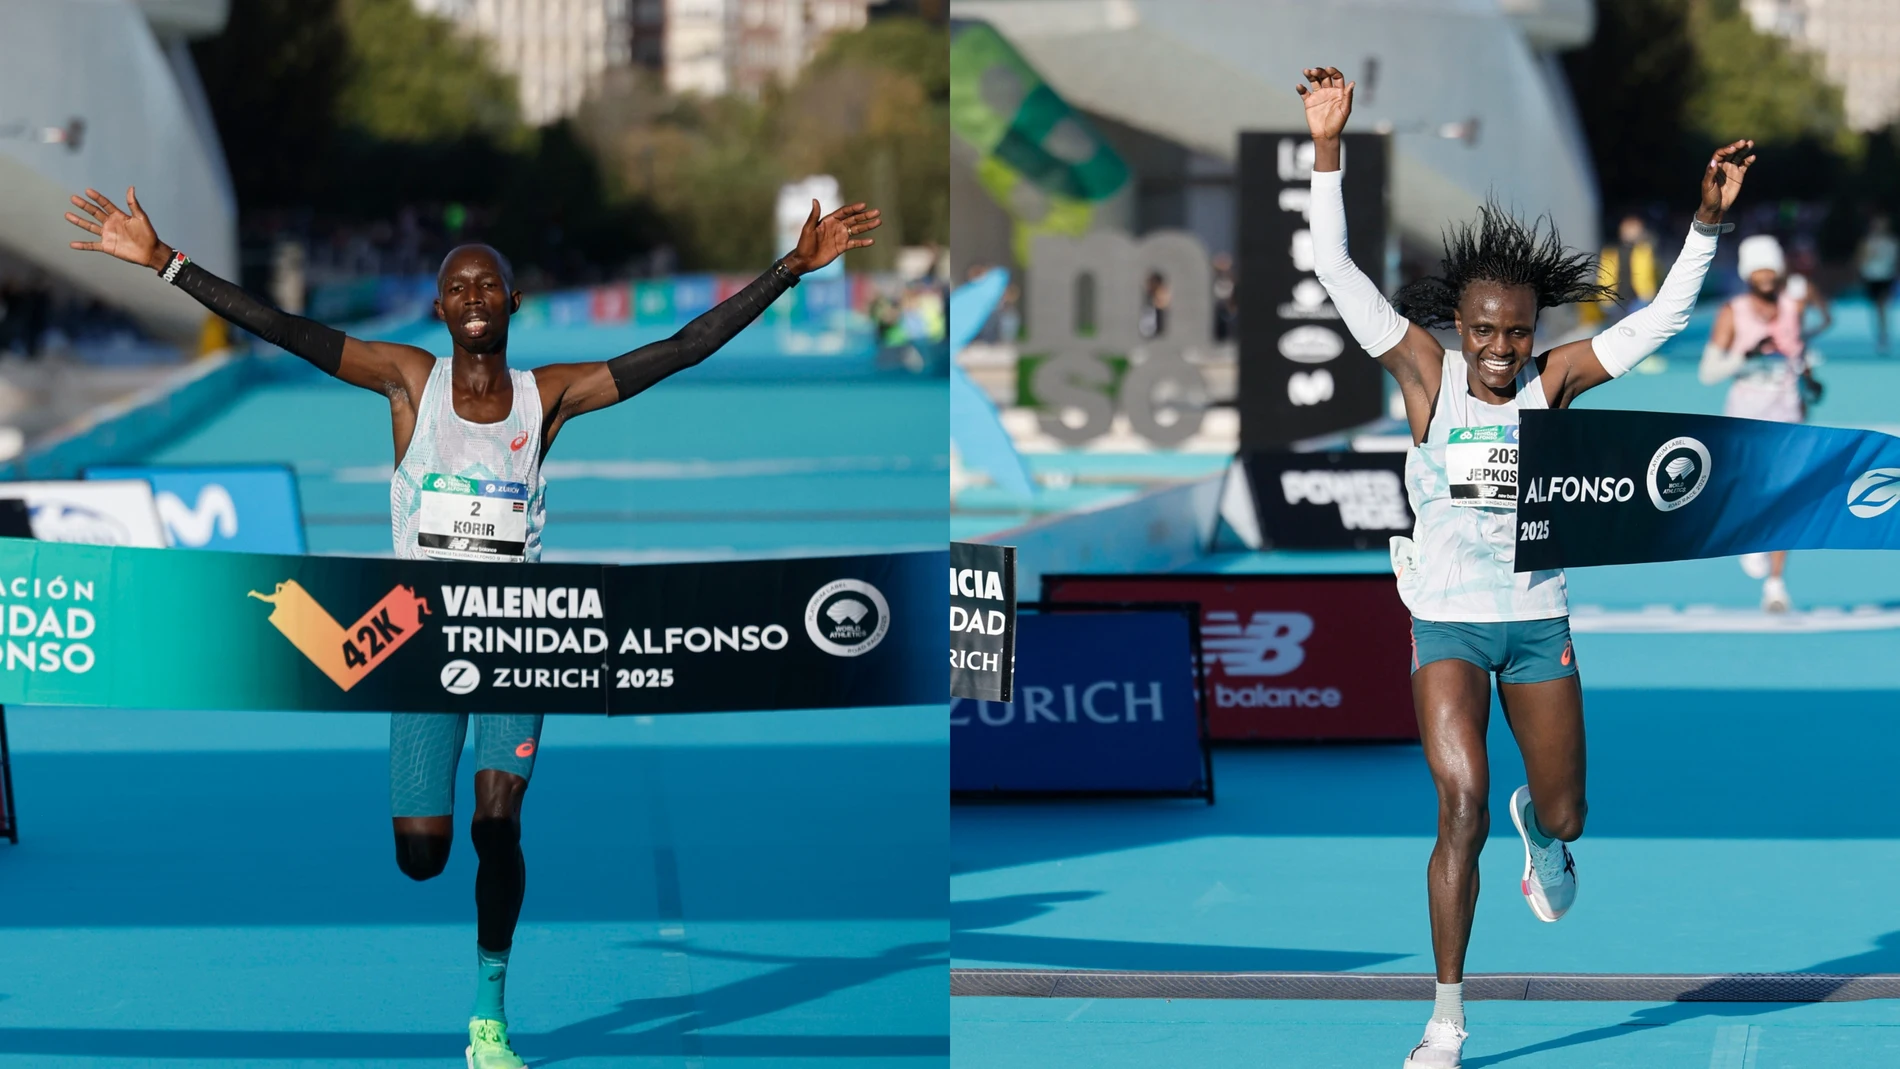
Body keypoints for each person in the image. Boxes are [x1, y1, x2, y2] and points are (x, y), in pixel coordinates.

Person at [63, 185, 879, 1069]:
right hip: (415, 636)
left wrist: (791, 269)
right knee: (423, 855)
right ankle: (444, 865)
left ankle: (488, 1017)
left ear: (514, 302)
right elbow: (284, 330)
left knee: (500, 824)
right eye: (458, 287)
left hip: (518, 637)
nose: (474, 297)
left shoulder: (549, 398)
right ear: (440, 309)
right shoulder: (409, 383)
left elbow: (680, 350)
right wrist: (168, 262)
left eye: (488, 284)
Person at [1296, 67, 1751, 1069]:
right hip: (1447, 623)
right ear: (1456, 326)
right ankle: (1446, 1018)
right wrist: (1326, 146)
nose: (1500, 350)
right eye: (1484, 332)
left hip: (1539, 623)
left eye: (1516, 332)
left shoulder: (1554, 381)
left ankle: (1544, 845)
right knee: (1457, 804)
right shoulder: (1424, 374)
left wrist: (1706, 226)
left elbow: (1662, 323)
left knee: (1564, 810)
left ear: (1532, 331)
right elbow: (1330, 267)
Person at [1697, 233, 1828, 612]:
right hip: (1744, 419)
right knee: (1750, 495)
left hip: (1787, 414)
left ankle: (1775, 584)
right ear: (1748, 274)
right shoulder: (1733, 312)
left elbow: (1798, 355)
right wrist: (1745, 356)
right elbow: (1708, 372)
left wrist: (1809, 382)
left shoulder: (1793, 307)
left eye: (1772, 268)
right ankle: (1749, 538)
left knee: (1786, 499)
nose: (1767, 276)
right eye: (1759, 270)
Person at [1585, 213, 1658, 325]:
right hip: (1615, 298)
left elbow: (1653, 272)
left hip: (1639, 297)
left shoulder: (1644, 250)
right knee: (1619, 329)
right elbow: (1604, 275)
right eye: (1630, 229)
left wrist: (1650, 294)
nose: (1633, 232)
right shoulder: (1611, 251)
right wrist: (1604, 297)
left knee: (1637, 327)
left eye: (1636, 229)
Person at [1858, 213, 1898, 352]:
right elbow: (1861, 259)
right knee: (1877, 307)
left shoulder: (1892, 242)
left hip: (1886, 277)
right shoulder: (1868, 242)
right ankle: (1881, 334)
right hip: (1872, 276)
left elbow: (1895, 260)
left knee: (1882, 305)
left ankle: (1883, 335)